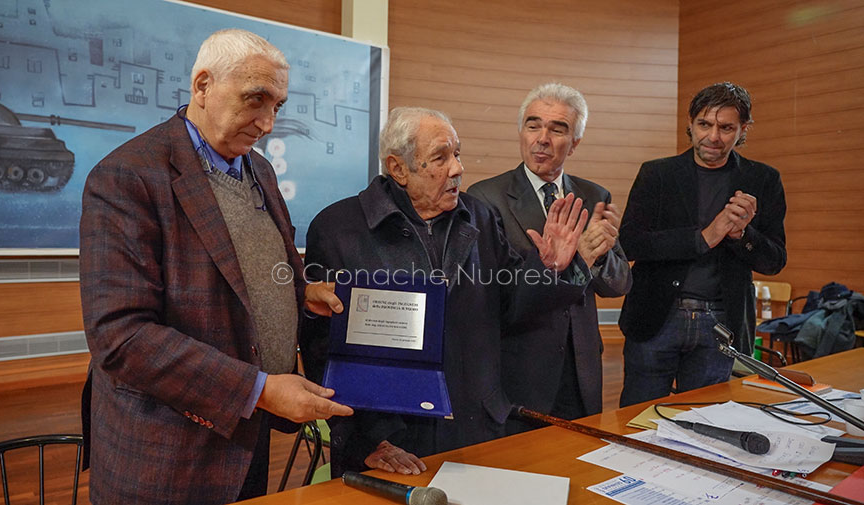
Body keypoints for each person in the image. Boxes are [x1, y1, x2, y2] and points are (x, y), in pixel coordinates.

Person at [79, 29, 352, 504]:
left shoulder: (258, 168)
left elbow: (251, 262)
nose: (267, 123)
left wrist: (299, 291)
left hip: (247, 440)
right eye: (255, 100)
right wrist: (261, 390)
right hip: (166, 452)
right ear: (203, 86)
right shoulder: (127, 175)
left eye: (278, 106)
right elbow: (121, 337)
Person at [300, 106, 591, 478]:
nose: (458, 168)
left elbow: (512, 303)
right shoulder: (338, 228)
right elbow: (322, 349)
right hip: (392, 439)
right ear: (398, 168)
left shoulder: (480, 216)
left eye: (457, 153)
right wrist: (367, 440)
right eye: (441, 157)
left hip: (474, 425)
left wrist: (549, 268)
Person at [468, 83, 631, 427]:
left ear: (574, 144)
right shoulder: (485, 197)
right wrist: (574, 261)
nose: (542, 138)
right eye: (533, 125)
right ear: (521, 133)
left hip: (581, 363)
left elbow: (618, 284)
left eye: (558, 129)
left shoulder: (593, 194)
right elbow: (493, 291)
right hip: (521, 366)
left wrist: (598, 254)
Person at [618, 82, 787, 407]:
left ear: (743, 129)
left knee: (704, 423)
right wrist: (704, 237)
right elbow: (630, 243)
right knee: (635, 420)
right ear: (690, 123)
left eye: (726, 128)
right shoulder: (657, 174)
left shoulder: (764, 179)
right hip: (657, 315)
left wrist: (742, 235)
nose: (713, 137)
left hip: (721, 322)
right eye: (704, 125)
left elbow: (774, 260)